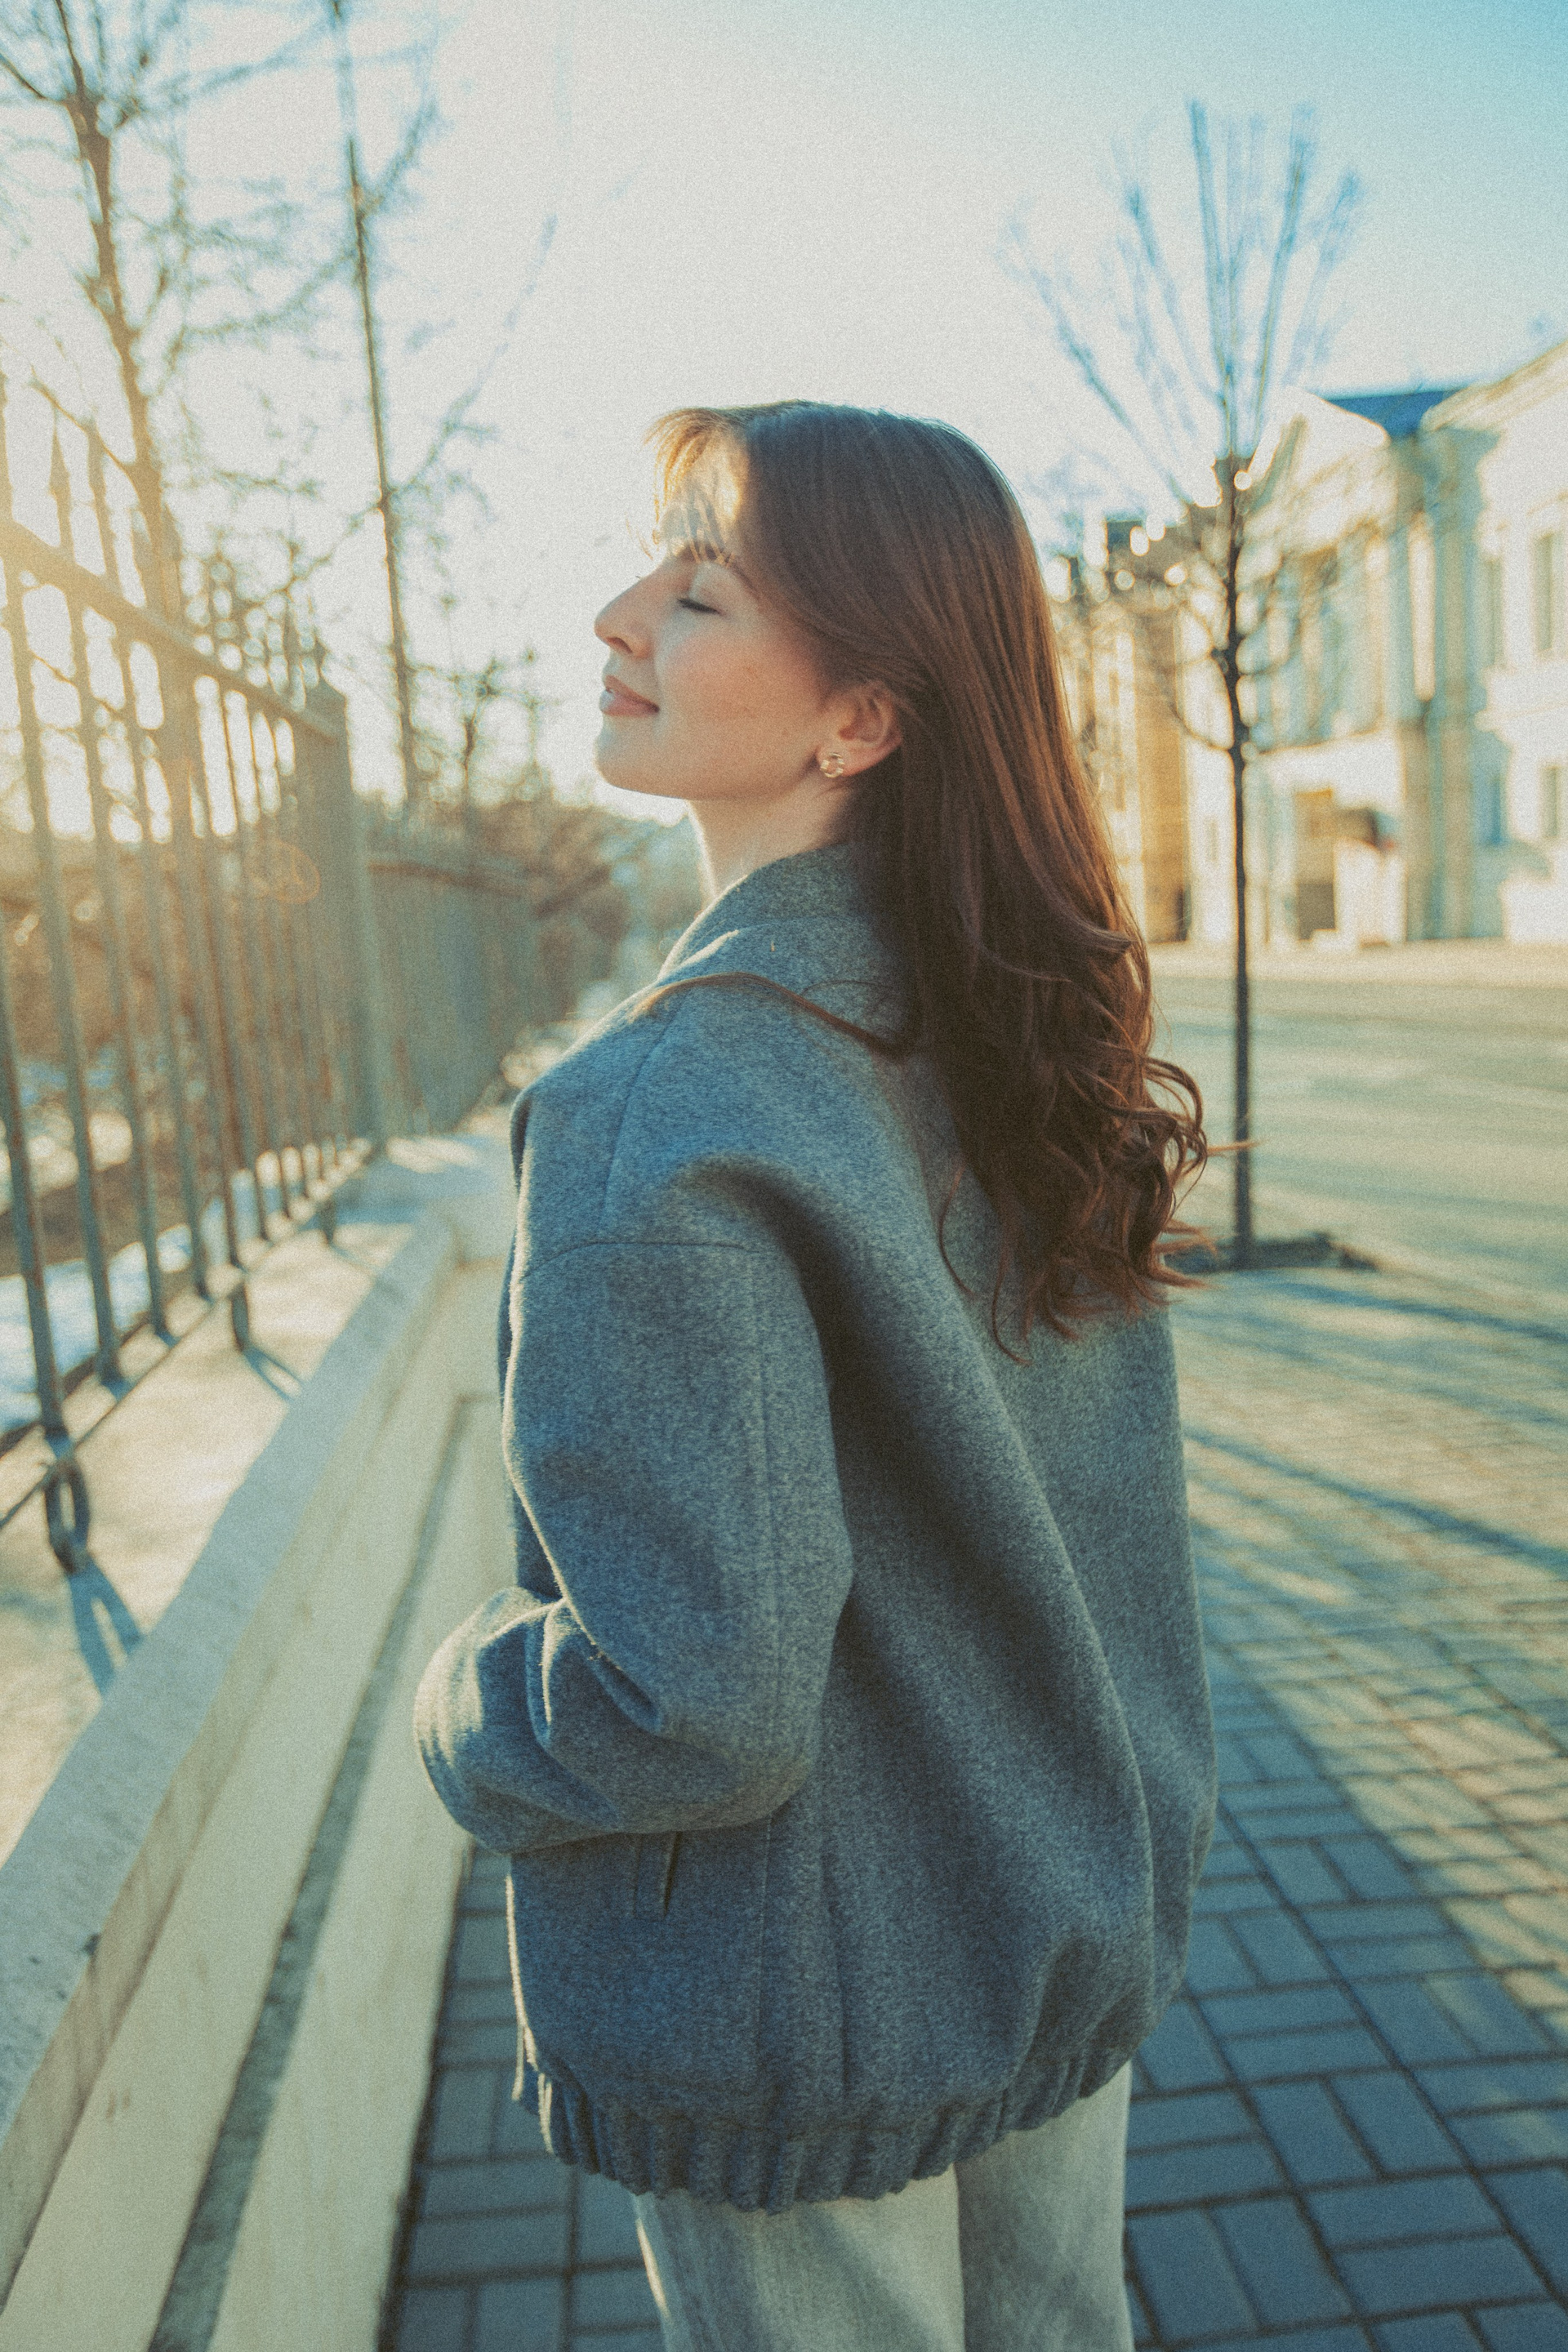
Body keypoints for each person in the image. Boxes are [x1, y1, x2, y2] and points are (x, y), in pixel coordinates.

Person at [414, 401, 1216, 2352]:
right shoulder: (1026, 1047)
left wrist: (461, 1704)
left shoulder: (661, 1111)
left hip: (798, 2021)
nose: (618, 616)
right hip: (1056, 1926)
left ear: (858, 720)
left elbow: (695, 1705)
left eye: (698, 593)